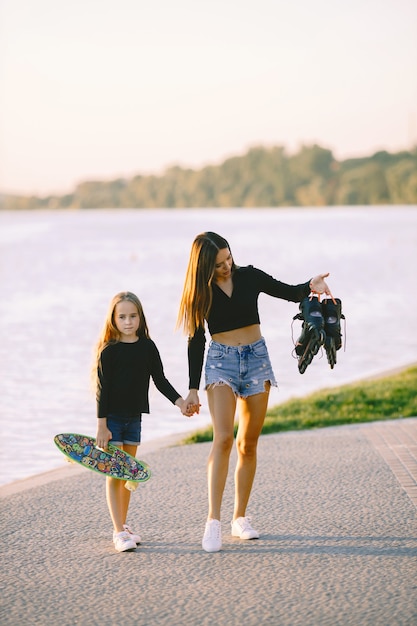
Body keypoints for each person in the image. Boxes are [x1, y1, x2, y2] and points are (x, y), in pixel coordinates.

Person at [177, 232, 334, 552]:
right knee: (222, 438)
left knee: (247, 443)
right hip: (220, 363)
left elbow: (289, 292)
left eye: (228, 259)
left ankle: (240, 517)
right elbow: (196, 341)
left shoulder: (249, 276)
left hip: (256, 361)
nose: (226, 266)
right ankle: (213, 521)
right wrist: (192, 389)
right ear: (203, 266)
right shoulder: (200, 294)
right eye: (218, 264)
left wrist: (311, 285)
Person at [94, 291, 192, 552]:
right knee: (114, 474)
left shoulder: (147, 347)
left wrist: (180, 402)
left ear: (140, 317)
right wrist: (101, 425)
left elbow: (160, 380)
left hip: (134, 418)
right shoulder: (109, 352)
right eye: (122, 316)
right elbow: (101, 392)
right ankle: (117, 531)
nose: (128, 321)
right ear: (113, 319)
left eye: (133, 316)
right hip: (112, 419)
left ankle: (123, 525)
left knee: (128, 474)